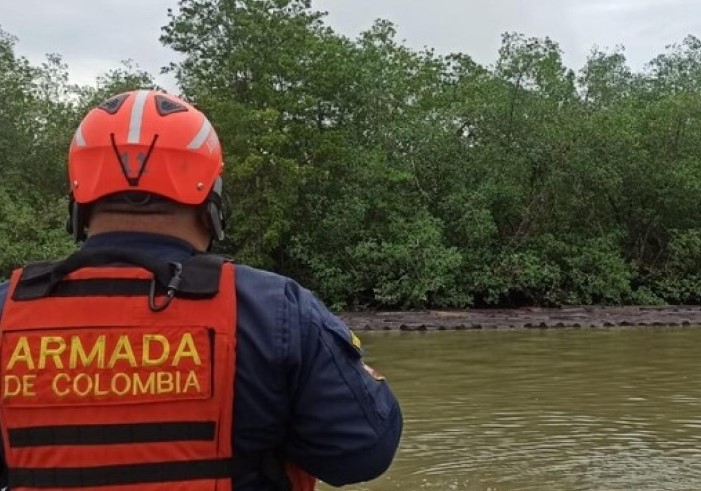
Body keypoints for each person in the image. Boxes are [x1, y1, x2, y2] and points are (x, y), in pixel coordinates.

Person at [0, 90, 402, 490]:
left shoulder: (6, 309)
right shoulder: (276, 309)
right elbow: (362, 453)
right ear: (211, 203)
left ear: (78, 201)